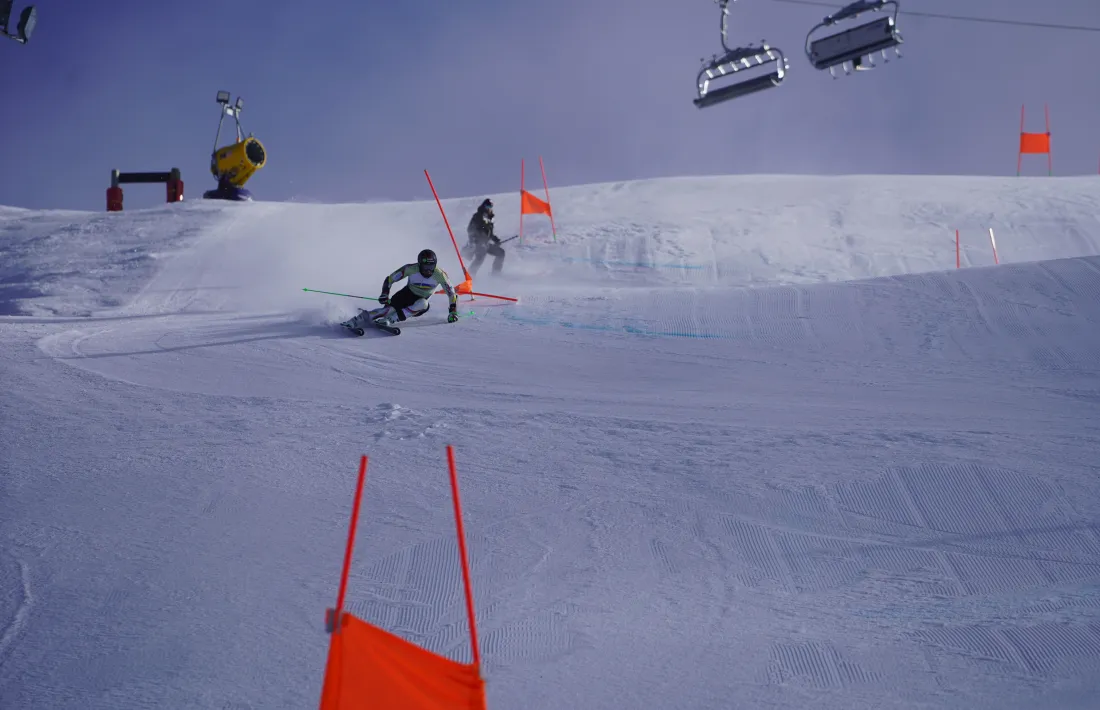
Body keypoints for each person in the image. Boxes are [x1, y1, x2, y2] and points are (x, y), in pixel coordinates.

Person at [342, 249, 458, 331]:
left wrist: (452, 312)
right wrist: (385, 294)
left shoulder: (440, 275)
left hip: (419, 302)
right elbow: (389, 279)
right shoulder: (410, 269)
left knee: (423, 303)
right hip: (405, 295)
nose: (428, 271)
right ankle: (356, 320)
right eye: (425, 267)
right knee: (387, 310)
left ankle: (391, 319)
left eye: (431, 267)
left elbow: (451, 293)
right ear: (419, 265)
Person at [464, 198, 506, 275]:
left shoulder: (490, 219)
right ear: (483, 206)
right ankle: (470, 276)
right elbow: (470, 229)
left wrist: (496, 240)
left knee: (501, 253)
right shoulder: (478, 216)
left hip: (486, 243)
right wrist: (474, 240)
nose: (488, 208)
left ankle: (496, 273)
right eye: (487, 206)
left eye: (490, 207)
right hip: (478, 243)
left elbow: (489, 233)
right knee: (480, 258)